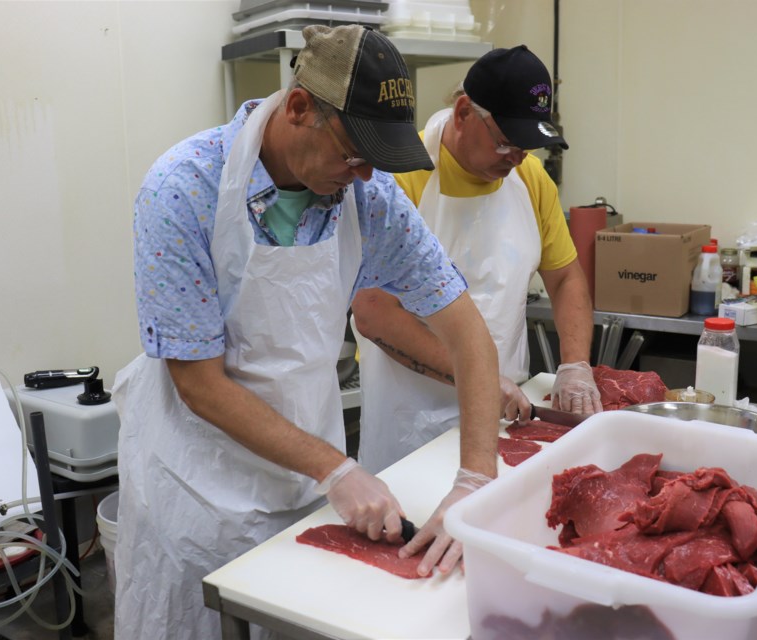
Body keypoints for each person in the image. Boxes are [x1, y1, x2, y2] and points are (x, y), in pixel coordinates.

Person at [111, 25, 501, 640]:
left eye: (378, 161)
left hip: (309, 489)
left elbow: (468, 333)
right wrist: (337, 470)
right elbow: (200, 385)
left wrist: (475, 481)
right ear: (299, 109)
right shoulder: (184, 188)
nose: (367, 175)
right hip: (199, 491)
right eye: (354, 154)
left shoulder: (367, 197)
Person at [351, 45, 602, 475]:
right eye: (506, 143)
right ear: (464, 111)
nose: (517, 159)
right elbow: (372, 311)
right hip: (408, 424)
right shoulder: (398, 178)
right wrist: (480, 377)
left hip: (505, 418)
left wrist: (575, 364)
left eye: (527, 147)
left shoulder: (529, 178)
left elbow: (565, 279)